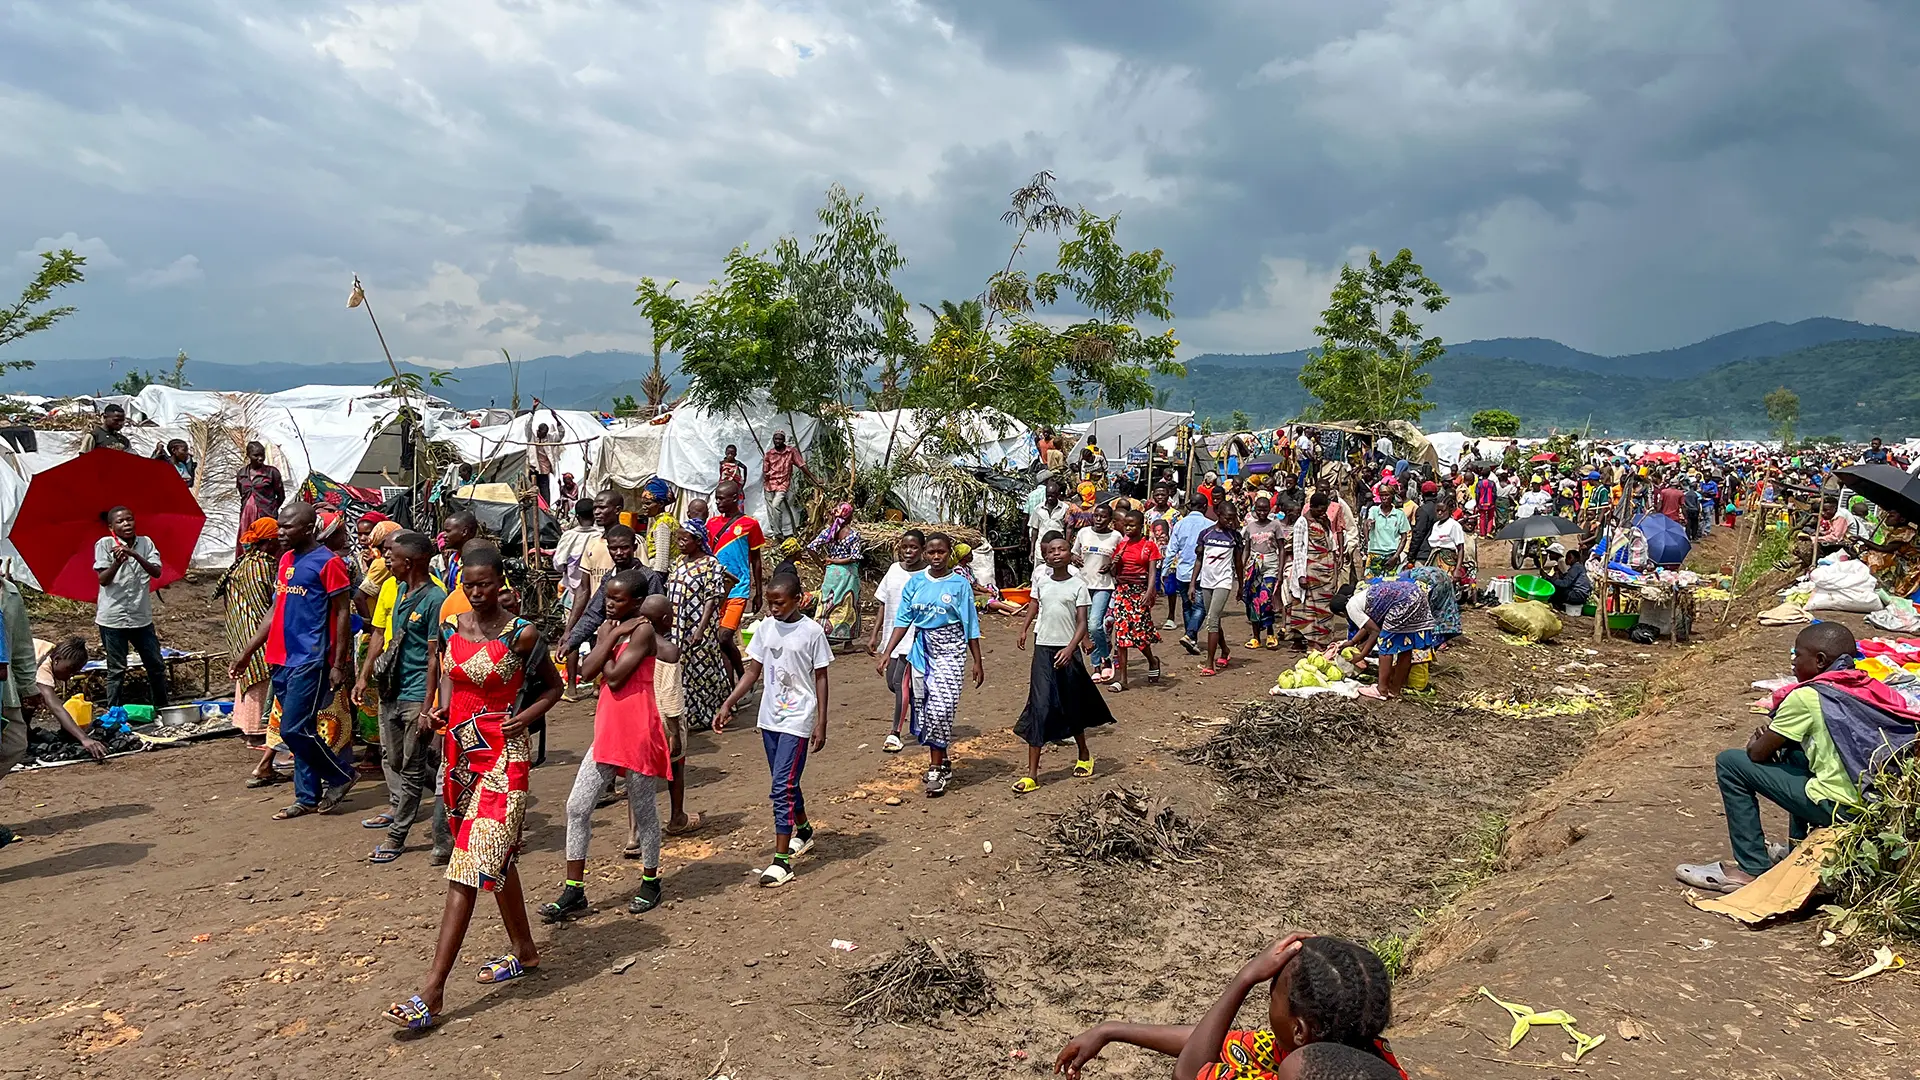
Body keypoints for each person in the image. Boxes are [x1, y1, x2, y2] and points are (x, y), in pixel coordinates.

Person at [383, 546, 561, 1031]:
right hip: (459, 757)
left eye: (484, 584)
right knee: (495, 859)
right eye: (469, 584)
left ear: (501, 583)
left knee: (467, 866)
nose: (476, 592)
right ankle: (525, 950)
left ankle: (432, 991)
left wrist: (525, 717)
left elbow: (554, 687)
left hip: (504, 758)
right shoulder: (450, 627)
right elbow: (448, 674)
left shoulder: (522, 634)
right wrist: (440, 708)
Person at [1677, 623, 1915, 893]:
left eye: (1797, 655)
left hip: (1839, 805)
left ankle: (1749, 869)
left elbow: (1757, 754)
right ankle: (1797, 849)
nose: (1792, 662)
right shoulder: (1873, 687)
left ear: (1820, 661)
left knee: (1730, 763)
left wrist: (1758, 740)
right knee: (1795, 751)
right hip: (1874, 803)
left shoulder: (1806, 696)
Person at [1055, 935, 1403, 1080]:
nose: (1270, 1002)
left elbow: (1189, 1073)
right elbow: (1220, 1043)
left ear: (1299, 1030)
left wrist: (1244, 979)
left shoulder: (1295, 1070)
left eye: (1272, 996)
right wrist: (1111, 1030)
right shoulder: (1366, 1059)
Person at [541, 569, 675, 920]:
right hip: (609, 728)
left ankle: (650, 881)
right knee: (577, 807)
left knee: (643, 810)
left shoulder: (642, 630)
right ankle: (574, 889)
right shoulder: (610, 628)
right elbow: (586, 672)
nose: (610, 604)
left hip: (638, 727)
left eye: (618, 599)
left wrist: (609, 638)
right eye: (608, 598)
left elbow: (613, 678)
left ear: (637, 602)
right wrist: (610, 636)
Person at [230, 502, 358, 819]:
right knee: (303, 730)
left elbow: (343, 614)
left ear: (308, 528)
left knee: (293, 729)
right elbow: (275, 610)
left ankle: (342, 775)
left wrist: (338, 664)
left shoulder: (328, 563)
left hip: (311, 658)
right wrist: (247, 652)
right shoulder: (286, 559)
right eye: (279, 526)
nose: (280, 532)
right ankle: (306, 796)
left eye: (287, 526)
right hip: (280, 657)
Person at [716, 564, 832, 887]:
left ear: (798, 599)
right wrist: (729, 702)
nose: (774, 608)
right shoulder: (766, 628)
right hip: (769, 717)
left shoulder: (812, 632)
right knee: (786, 782)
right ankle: (803, 831)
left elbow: (821, 677)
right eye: (770, 602)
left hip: (798, 718)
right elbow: (752, 672)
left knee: (781, 786)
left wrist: (821, 722)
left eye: (780, 602)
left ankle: (782, 861)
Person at [356, 531, 449, 863]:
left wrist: (427, 706)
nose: (386, 561)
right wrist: (365, 676)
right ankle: (448, 789)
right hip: (391, 690)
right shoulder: (396, 590)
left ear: (407, 563)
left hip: (416, 694)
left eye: (392, 557)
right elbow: (382, 635)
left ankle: (396, 837)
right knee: (396, 760)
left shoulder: (435, 599)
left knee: (409, 768)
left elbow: (434, 657)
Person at [875, 532, 983, 798]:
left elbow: (970, 624)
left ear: (949, 554)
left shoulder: (960, 584)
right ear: (926, 554)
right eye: (932, 552)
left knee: (941, 708)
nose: (936, 557)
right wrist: (887, 651)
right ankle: (942, 760)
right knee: (927, 708)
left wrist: (978, 661)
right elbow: (903, 620)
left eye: (941, 552)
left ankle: (934, 769)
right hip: (923, 650)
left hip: (952, 650)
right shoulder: (915, 583)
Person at [1013, 531, 1112, 792]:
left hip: (1068, 652)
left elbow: (1082, 622)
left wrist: (1071, 648)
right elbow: (1035, 605)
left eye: (1062, 549)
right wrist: (1024, 628)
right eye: (1051, 551)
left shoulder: (1078, 585)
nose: (1056, 554)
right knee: (1039, 705)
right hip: (1043, 649)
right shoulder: (1042, 582)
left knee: (1071, 703)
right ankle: (1032, 775)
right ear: (1045, 556)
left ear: (1070, 554)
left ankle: (1084, 754)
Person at [218, 517, 282, 786]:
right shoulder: (264, 566)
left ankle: (249, 728)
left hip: (240, 627)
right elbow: (273, 605)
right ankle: (258, 730)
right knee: (261, 673)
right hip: (256, 627)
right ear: (270, 541)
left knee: (247, 671)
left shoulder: (243, 563)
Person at [561, 525, 657, 697]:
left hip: (640, 643)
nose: (619, 553)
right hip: (614, 641)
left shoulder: (648, 577)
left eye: (624, 547)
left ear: (634, 547)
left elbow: (656, 613)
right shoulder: (609, 578)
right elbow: (594, 613)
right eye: (614, 548)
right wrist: (572, 641)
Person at [637, 593, 700, 836]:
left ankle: (635, 834)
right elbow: (671, 694)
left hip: (640, 716)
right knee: (677, 767)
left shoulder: (631, 644)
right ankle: (677, 817)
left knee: (640, 774)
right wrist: (674, 732)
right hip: (664, 719)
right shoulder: (668, 650)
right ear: (666, 619)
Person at [93, 506, 167, 708]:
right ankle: (114, 712)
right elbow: (103, 580)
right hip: (113, 618)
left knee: (155, 665)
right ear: (111, 527)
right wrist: (117, 563)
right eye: (120, 521)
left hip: (141, 617)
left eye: (129, 519)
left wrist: (134, 554)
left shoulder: (146, 543)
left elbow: (156, 572)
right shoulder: (105, 544)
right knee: (116, 669)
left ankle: (163, 708)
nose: (126, 524)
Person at [665, 525, 730, 734]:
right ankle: (688, 715)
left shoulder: (711, 564)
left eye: (685, 540)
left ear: (698, 541)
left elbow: (712, 598)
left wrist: (701, 629)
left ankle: (709, 713)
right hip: (677, 627)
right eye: (678, 539)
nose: (680, 543)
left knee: (702, 668)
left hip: (699, 626)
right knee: (682, 669)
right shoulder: (678, 562)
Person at [1331, 577, 1435, 701]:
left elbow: (1375, 632)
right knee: (1406, 647)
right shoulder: (1359, 599)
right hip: (1416, 594)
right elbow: (1369, 627)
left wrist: (1361, 656)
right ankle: (1395, 689)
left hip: (1402, 602)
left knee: (1385, 645)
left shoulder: (1351, 608)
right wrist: (1352, 642)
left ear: (1341, 614)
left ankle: (1381, 690)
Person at [871, 529, 927, 753]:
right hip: (892, 637)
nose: (908, 551)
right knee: (892, 684)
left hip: (913, 638)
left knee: (899, 682)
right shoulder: (894, 570)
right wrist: (875, 635)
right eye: (905, 547)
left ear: (922, 550)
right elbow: (883, 603)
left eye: (913, 547)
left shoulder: (927, 575)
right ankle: (921, 711)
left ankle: (895, 733)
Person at [706, 481, 766, 680]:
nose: (718, 502)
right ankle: (730, 685)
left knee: (724, 637)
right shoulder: (711, 524)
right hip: (715, 589)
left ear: (734, 498)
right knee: (719, 640)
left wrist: (759, 593)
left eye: (722, 498)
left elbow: (756, 560)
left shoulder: (750, 524)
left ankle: (743, 676)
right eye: (717, 499)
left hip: (739, 588)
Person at [1106, 508, 1163, 692]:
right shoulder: (1121, 546)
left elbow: (1152, 572)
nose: (1128, 528)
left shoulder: (1149, 546)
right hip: (1123, 591)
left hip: (1140, 592)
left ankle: (1152, 661)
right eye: (1126, 525)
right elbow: (1114, 572)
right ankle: (1123, 679)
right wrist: (1114, 563)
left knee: (1139, 634)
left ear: (1141, 526)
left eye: (1132, 525)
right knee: (1121, 634)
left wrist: (1149, 592)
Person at [1192, 501, 1244, 676]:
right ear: (1218, 515)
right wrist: (1192, 583)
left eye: (1233, 518)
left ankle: (1209, 663)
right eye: (1227, 518)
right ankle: (1225, 650)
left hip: (1224, 581)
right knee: (1213, 619)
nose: (1230, 521)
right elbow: (1199, 560)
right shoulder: (1205, 534)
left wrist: (1241, 585)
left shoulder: (1235, 537)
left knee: (1212, 619)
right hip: (1206, 581)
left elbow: (1238, 563)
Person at [1072, 503, 1122, 683]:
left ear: (1110, 519)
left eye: (1103, 517)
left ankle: (1105, 658)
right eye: (1096, 516)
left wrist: (1112, 565)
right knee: (1085, 624)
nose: (1099, 519)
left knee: (1095, 624)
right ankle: (1096, 665)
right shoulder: (1083, 533)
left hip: (1103, 585)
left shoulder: (1116, 536)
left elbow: (1120, 560)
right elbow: (1073, 552)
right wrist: (1074, 557)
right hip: (1083, 584)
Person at [1287, 491, 1342, 650]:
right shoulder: (1302, 522)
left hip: (1327, 573)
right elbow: (1298, 549)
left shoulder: (1324, 521)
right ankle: (1312, 641)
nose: (1322, 513)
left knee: (1325, 607)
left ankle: (1324, 639)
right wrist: (1301, 575)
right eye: (1320, 510)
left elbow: (1331, 544)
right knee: (1310, 608)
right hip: (1310, 572)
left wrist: (1326, 525)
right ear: (1311, 507)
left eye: (1325, 510)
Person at [807, 502, 864, 649]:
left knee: (828, 602)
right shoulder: (853, 535)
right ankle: (848, 642)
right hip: (848, 574)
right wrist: (835, 561)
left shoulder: (828, 532)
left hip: (832, 573)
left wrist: (822, 563)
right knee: (849, 604)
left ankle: (822, 637)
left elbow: (811, 548)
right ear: (850, 517)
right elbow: (855, 557)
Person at [1241, 495, 1286, 651]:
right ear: (1254, 509)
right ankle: (1256, 637)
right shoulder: (1250, 527)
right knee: (1253, 601)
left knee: (1266, 600)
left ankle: (1270, 633)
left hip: (1271, 565)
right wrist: (1242, 568)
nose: (1262, 513)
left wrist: (1280, 571)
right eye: (1259, 510)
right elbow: (1246, 549)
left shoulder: (1275, 525)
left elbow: (1281, 549)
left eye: (1265, 509)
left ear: (1269, 510)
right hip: (1254, 566)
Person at [1169, 495, 1212, 652]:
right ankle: (1190, 635)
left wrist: (1165, 570)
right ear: (1204, 506)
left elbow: (1171, 549)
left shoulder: (1180, 524)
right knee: (1201, 606)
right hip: (1201, 572)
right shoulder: (1210, 525)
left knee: (1187, 605)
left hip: (1182, 572)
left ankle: (1191, 640)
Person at [761, 430, 815, 540]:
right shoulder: (769, 454)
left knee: (775, 505)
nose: (778, 441)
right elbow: (765, 471)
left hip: (782, 484)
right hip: (769, 485)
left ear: (784, 440)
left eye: (780, 439)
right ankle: (777, 534)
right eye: (776, 439)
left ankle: (778, 534)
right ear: (773, 439)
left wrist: (814, 479)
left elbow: (802, 465)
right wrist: (766, 478)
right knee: (771, 511)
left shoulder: (791, 452)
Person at [551, 500, 602, 612]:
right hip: (596, 597)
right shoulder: (601, 537)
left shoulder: (568, 536)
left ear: (577, 517)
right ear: (594, 516)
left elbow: (558, 565)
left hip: (573, 595)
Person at [434, 510, 482, 625]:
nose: (443, 535)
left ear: (464, 532)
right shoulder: (453, 559)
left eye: (448, 531)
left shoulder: (480, 563)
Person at [235, 441, 285, 544]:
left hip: (266, 515)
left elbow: (281, 496)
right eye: (256, 455)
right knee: (248, 542)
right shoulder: (242, 474)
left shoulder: (271, 472)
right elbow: (242, 494)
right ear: (248, 455)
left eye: (262, 454)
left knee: (267, 543)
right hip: (247, 517)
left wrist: (271, 508)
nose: (260, 458)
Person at [634, 477, 679, 574]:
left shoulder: (662, 524)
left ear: (661, 504)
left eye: (648, 503)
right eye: (643, 504)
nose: (644, 507)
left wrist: (656, 579)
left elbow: (661, 562)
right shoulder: (668, 520)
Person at [1361, 490, 1410, 577]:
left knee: (1391, 583)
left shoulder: (1399, 514)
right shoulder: (1374, 510)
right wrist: (1367, 540)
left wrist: (1395, 556)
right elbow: (1366, 522)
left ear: (1392, 496)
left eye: (1387, 495)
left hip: (1391, 555)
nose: (1384, 498)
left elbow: (1404, 538)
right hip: (1375, 554)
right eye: (1382, 495)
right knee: (1371, 583)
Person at [1027, 478, 1070, 575]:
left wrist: (1067, 547)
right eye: (1048, 496)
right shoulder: (1038, 509)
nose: (1050, 498)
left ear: (1058, 495)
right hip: (1041, 550)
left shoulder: (1065, 509)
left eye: (1052, 496)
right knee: (1040, 574)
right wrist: (1032, 550)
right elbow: (1034, 530)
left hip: (1057, 551)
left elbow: (1068, 529)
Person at [1541, 543, 1592, 610]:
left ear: (1576, 559)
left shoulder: (1576, 567)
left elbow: (1565, 584)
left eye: (1570, 558)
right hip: (1580, 594)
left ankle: (1556, 606)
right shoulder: (1577, 567)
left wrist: (1548, 578)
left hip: (1578, 595)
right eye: (1567, 557)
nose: (1567, 560)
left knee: (1555, 590)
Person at [530, 422, 557, 503]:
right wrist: (531, 415)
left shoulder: (549, 438)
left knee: (545, 491)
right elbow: (527, 427)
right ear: (538, 431)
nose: (544, 435)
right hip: (533, 468)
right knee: (532, 490)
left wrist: (557, 421)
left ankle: (545, 507)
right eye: (543, 433)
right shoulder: (532, 437)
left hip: (544, 469)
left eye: (545, 433)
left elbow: (561, 434)